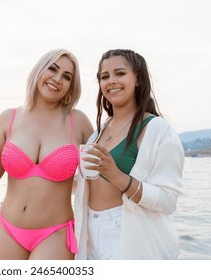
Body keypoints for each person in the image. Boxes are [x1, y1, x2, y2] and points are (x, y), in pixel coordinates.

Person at [0, 49, 93, 260]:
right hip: (8, 229)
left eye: (67, 77)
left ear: (71, 87)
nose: (57, 79)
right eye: (53, 69)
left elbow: (98, 174)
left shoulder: (79, 123)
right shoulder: (8, 118)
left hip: (55, 233)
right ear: (39, 71)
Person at [74, 49, 184, 259]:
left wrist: (116, 175)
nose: (111, 81)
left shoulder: (158, 129)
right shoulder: (98, 132)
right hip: (90, 233)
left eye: (120, 73)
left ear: (138, 79)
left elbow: (168, 201)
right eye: (104, 77)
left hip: (126, 232)